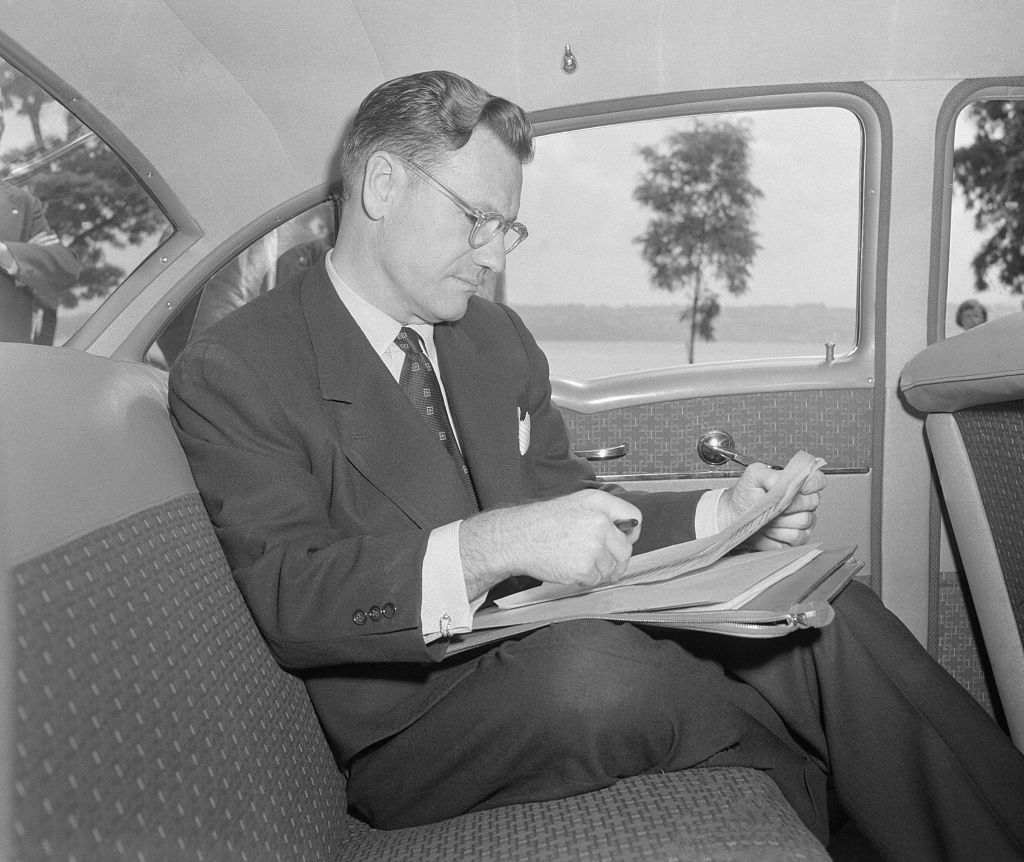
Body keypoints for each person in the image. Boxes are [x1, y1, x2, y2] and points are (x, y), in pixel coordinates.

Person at [168, 71, 1024, 861]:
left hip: (558, 640)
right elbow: (293, 591)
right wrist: (491, 544)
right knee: (603, 666)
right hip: (418, 724)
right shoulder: (241, 367)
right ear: (382, 184)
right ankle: (826, 782)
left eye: (509, 228)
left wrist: (719, 518)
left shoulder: (493, 340)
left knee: (816, 599)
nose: (495, 257)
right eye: (477, 219)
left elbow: (566, 504)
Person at [0, 104, 80, 344]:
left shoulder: (21, 202)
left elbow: (66, 266)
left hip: (10, 361)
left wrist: (9, 254)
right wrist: (29, 255)